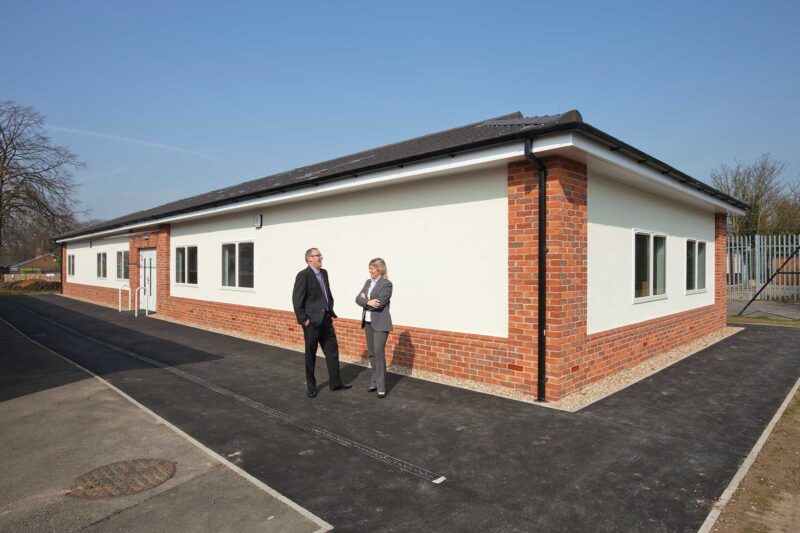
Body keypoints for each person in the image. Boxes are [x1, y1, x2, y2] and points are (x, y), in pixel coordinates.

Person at [292, 248, 351, 398]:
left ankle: (335, 383)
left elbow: (326, 293)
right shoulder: (303, 275)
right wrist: (304, 320)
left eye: (320, 255)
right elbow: (297, 299)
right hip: (312, 323)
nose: (321, 257)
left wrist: (330, 308)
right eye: (318, 255)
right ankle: (311, 386)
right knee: (310, 355)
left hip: (326, 319)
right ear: (309, 259)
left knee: (332, 351)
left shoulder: (324, 273)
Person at [355, 258, 393, 398]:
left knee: (378, 352)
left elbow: (380, 303)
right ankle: (375, 381)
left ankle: (381, 386)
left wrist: (365, 300)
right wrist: (367, 301)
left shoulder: (387, 284)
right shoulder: (367, 282)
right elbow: (357, 299)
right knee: (371, 353)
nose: (369, 271)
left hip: (381, 324)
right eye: (369, 268)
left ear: (380, 269)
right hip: (368, 322)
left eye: (372, 268)